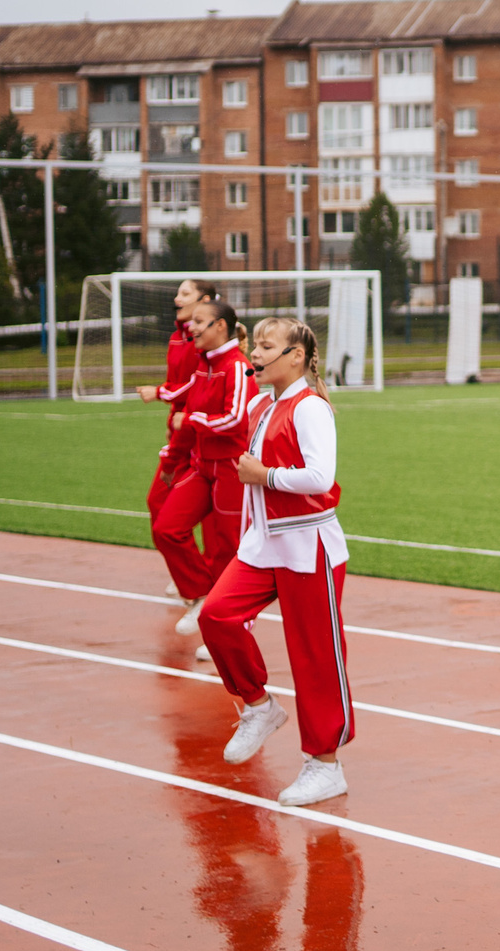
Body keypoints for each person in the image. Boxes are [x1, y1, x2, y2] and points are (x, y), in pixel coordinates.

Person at [198, 317, 355, 809]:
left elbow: (320, 477)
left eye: (267, 347)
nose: (256, 354)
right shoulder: (263, 405)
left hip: (308, 545)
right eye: (256, 346)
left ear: (296, 356)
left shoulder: (310, 408)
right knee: (216, 615)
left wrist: (265, 475)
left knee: (314, 657)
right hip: (264, 544)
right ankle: (259, 706)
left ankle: (325, 765)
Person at [151, 298, 252, 632]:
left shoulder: (238, 366)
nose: (190, 328)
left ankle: (233, 621)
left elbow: (236, 419)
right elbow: (186, 414)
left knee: (228, 548)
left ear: (219, 326)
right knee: (167, 528)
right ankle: (202, 596)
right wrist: (171, 460)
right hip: (201, 467)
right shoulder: (202, 366)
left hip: (231, 469)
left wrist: (193, 420)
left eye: (198, 321)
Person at [139, 278, 217, 596]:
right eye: (178, 293)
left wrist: (159, 392)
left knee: (211, 521)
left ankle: (204, 588)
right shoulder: (177, 338)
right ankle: (194, 578)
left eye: (185, 293)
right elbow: (181, 383)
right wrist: (172, 419)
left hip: (200, 436)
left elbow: (198, 384)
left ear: (205, 300)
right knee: (159, 504)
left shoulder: (209, 344)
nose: (177, 299)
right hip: (181, 434)